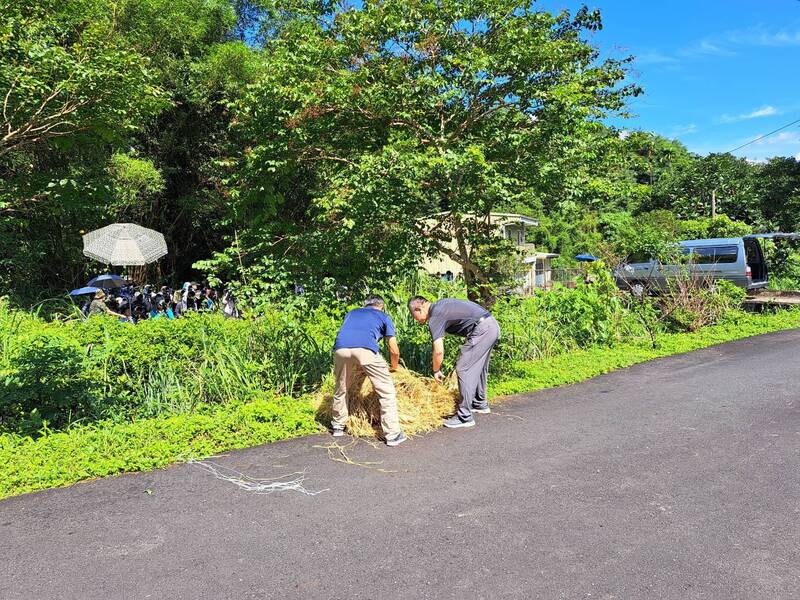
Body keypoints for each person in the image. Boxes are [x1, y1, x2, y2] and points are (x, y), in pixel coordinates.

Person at [407, 296, 501, 429]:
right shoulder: (440, 305)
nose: (415, 319)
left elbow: (438, 350)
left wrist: (436, 370)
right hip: (491, 325)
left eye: (413, 315)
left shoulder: (435, 315)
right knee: (478, 366)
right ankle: (479, 403)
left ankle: (465, 417)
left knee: (463, 368)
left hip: (483, 329)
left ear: (418, 309)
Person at [331, 294, 406, 446]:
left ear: (364, 305)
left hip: (340, 349)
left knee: (342, 387)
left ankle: (337, 426)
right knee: (386, 391)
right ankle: (392, 434)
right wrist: (394, 367)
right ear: (381, 306)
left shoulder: (352, 313)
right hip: (365, 349)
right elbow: (394, 349)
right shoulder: (383, 316)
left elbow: (351, 335)